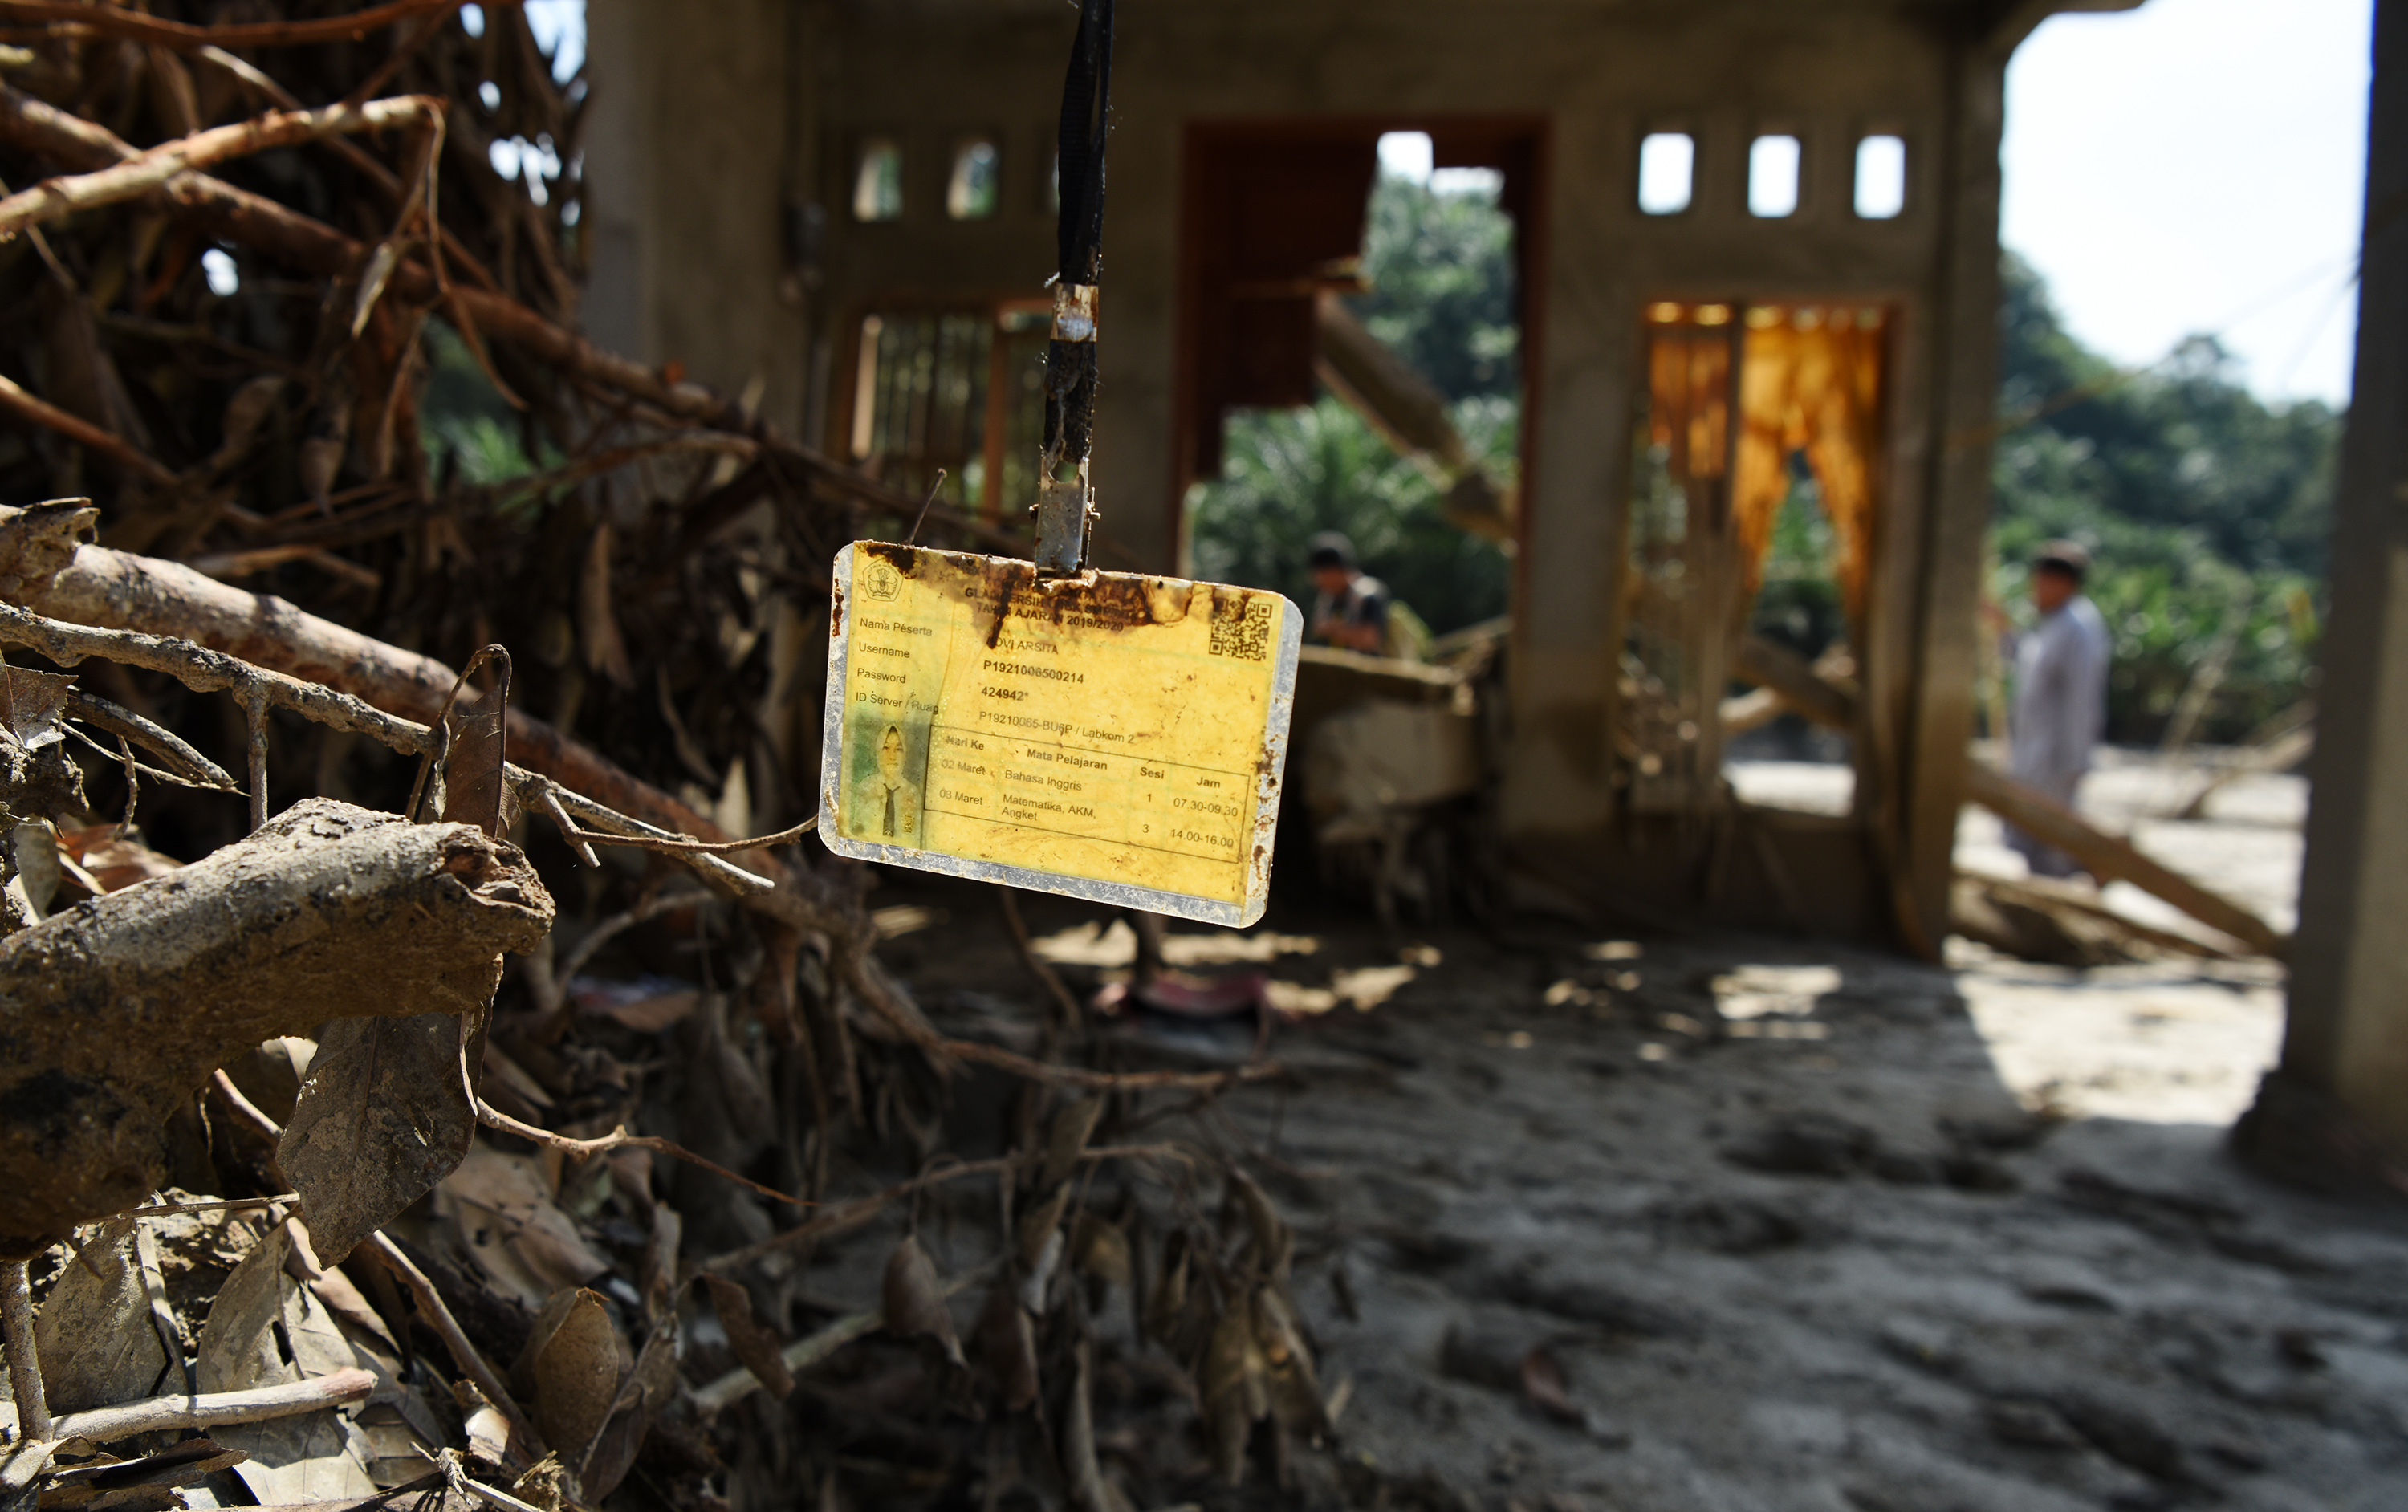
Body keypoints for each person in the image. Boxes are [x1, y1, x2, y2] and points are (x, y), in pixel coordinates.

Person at [2003, 539, 2109, 878]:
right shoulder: (2056, 623)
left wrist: (2075, 759)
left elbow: (2083, 699)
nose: (2035, 590)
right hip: (2035, 751)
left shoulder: (2079, 627)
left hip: (2057, 754)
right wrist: (2002, 629)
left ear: (2062, 584)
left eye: (2041, 582)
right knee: (2031, 834)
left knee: (2052, 842)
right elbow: (2029, 662)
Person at [1306, 532, 1428, 660]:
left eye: (1319, 573)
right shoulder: (1328, 599)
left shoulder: (1368, 593)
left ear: (1335, 570)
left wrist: (1333, 629)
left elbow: (1369, 639)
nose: (1316, 579)